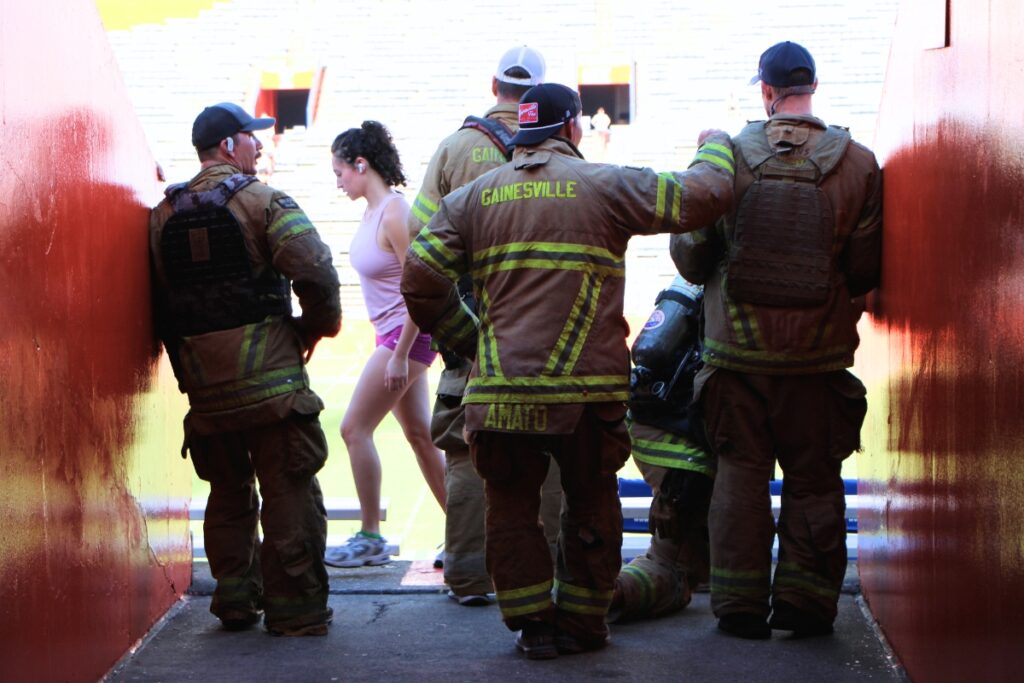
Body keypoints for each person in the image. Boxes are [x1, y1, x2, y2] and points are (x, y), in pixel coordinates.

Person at [401, 82, 734, 659]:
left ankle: (533, 626)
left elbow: (418, 276)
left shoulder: (475, 197)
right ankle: (582, 626)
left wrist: (469, 338)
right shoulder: (604, 185)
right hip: (585, 397)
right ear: (573, 129)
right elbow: (702, 196)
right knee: (589, 504)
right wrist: (717, 145)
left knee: (510, 509)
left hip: (501, 394)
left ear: (523, 132)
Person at [670, 41, 882, 639]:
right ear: (811, 88)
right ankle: (807, 605)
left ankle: (738, 607)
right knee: (815, 479)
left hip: (734, 360)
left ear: (765, 92)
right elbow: (865, 269)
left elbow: (691, 258)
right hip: (818, 362)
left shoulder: (728, 158)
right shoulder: (860, 165)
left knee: (739, 475)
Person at [149, 102, 341, 637]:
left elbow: (162, 306)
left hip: (208, 396)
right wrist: (315, 328)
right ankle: (296, 610)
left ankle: (234, 599)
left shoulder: (160, 217)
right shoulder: (264, 201)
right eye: (253, 139)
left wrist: (193, 376)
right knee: (289, 492)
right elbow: (317, 271)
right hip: (274, 388)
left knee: (228, 493)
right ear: (230, 147)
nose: (262, 146)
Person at [407, 45, 562, 606]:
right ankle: (543, 574)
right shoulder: (556, 148)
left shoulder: (454, 148)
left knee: (467, 450)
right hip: (542, 326)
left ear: (492, 82)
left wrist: (455, 329)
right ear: (539, 93)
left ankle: (470, 577)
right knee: (546, 444)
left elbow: (420, 246)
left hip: (471, 324)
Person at [325, 121, 447, 568]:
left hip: (407, 335)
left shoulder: (395, 212)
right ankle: (467, 535)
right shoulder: (371, 213)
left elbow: (422, 285)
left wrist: (399, 354)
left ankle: (370, 535)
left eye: (340, 172)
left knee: (354, 429)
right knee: (420, 435)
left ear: (362, 164)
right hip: (392, 335)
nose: (338, 181)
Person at [608, 276, 715, 624]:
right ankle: (609, 596)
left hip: (656, 425)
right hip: (677, 445)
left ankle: (597, 595)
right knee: (677, 563)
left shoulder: (698, 284)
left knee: (686, 560)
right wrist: (673, 494)